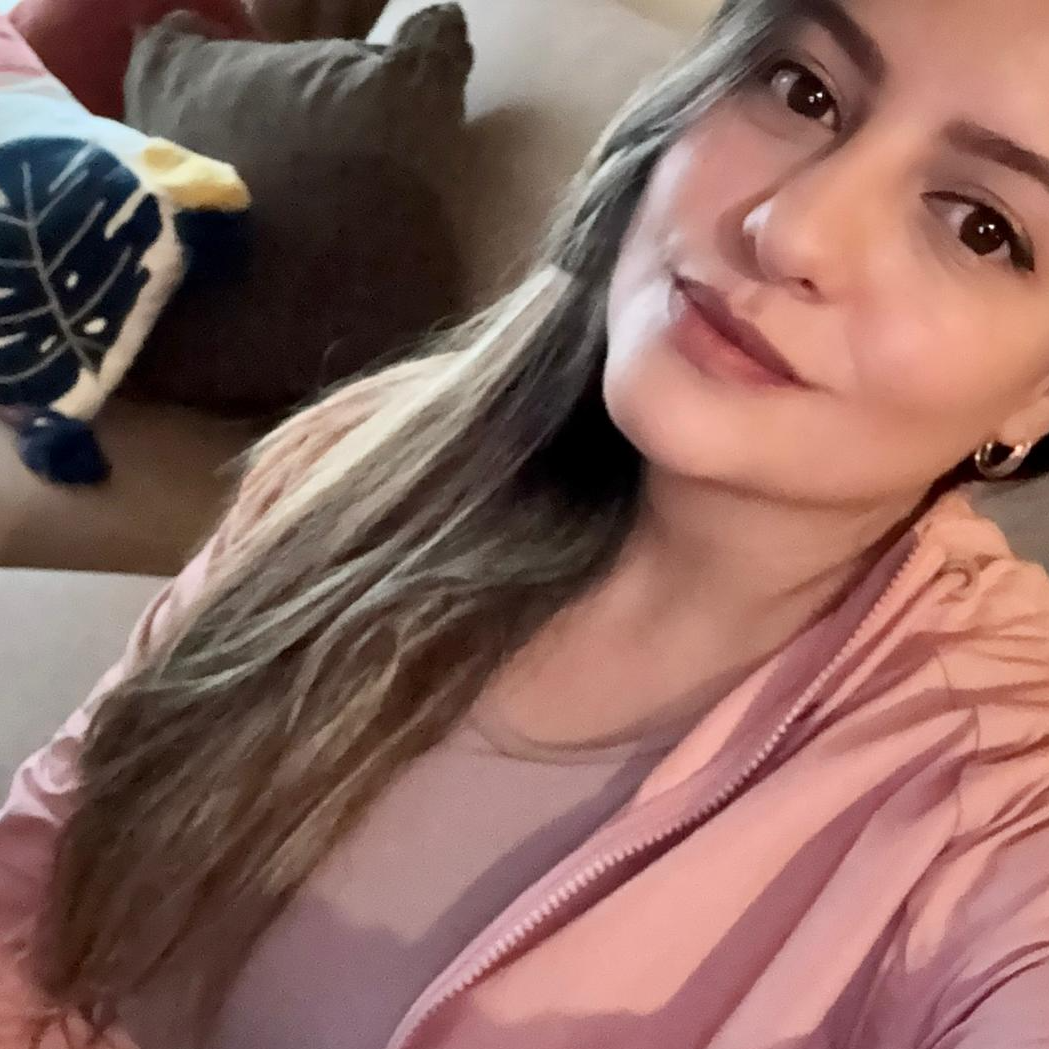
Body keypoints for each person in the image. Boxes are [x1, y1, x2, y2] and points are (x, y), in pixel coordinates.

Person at [3, 0, 1049, 1045]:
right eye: (801, 90)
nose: (789, 229)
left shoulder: (999, 795)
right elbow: (41, 889)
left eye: (980, 227)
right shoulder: (368, 450)